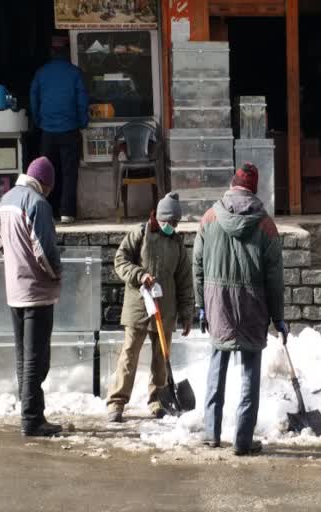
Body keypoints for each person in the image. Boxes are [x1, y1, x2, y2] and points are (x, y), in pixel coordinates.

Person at [193, 163, 286, 456]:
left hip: (217, 302)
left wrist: (201, 305)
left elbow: (197, 265)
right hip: (252, 305)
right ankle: (243, 441)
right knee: (249, 374)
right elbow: (274, 278)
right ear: (254, 189)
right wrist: (278, 317)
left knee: (216, 369)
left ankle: (211, 433)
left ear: (232, 183)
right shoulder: (266, 225)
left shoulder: (209, 217)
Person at [106, 192, 194, 422]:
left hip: (165, 310)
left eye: (176, 223)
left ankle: (157, 399)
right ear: (160, 218)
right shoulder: (140, 234)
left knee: (160, 359)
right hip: (138, 306)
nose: (173, 227)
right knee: (129, 355)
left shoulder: (177, 244)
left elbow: (184, 281)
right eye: (170, 222)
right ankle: (116, 402)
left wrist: (186, 313)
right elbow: (120, 260)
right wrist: (140, 275)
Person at [0, 157, 62, 437]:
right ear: (45, 183)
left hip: (15, 291)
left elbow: (0, 244)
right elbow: (44, 250)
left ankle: (30, 413)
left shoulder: (5, 200)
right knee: (37, 359)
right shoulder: (37, 204)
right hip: (37, 292)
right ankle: (32, 419)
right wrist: (57, 273)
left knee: (23, 356)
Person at [30, 36, 89, 224]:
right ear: (66, 52)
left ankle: (44, 210)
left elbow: (33, 99)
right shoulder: (75, 73)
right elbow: (82, 101)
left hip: (47, 131)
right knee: (69, 172)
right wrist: (82, 122)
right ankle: (67, 213)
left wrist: (38, 120)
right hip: (70, 129)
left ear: (51, 52)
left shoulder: (41, 73)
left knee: (44, 172)